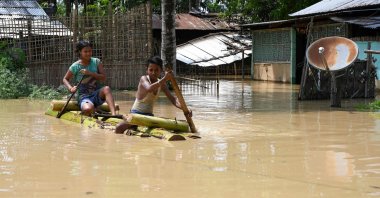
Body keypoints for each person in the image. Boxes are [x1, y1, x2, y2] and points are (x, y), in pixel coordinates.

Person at [115, 56, 191, 134]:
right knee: (118, 128)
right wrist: (165, 78)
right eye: (151, 70)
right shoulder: (143, 79)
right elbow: (149, 88)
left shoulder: (162, 84)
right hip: (136, 114)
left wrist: (185, 109)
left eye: (156, 70)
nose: (153, 73)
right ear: (147, 70)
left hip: (149, 116)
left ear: (161, 70)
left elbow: (173, 100)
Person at [63, 40, 116, 116]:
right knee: (88, 109)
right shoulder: (75, 66)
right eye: (85, 51)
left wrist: (90, 73)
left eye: (90, 51)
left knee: (106, 88)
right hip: (83, 96)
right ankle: (93, 109)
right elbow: (65, 79)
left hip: (96, 94)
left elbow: (103, 78)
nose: (88, 53)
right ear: (80, 52)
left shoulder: (96, 62)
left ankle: (114, 115)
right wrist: (71, 88)